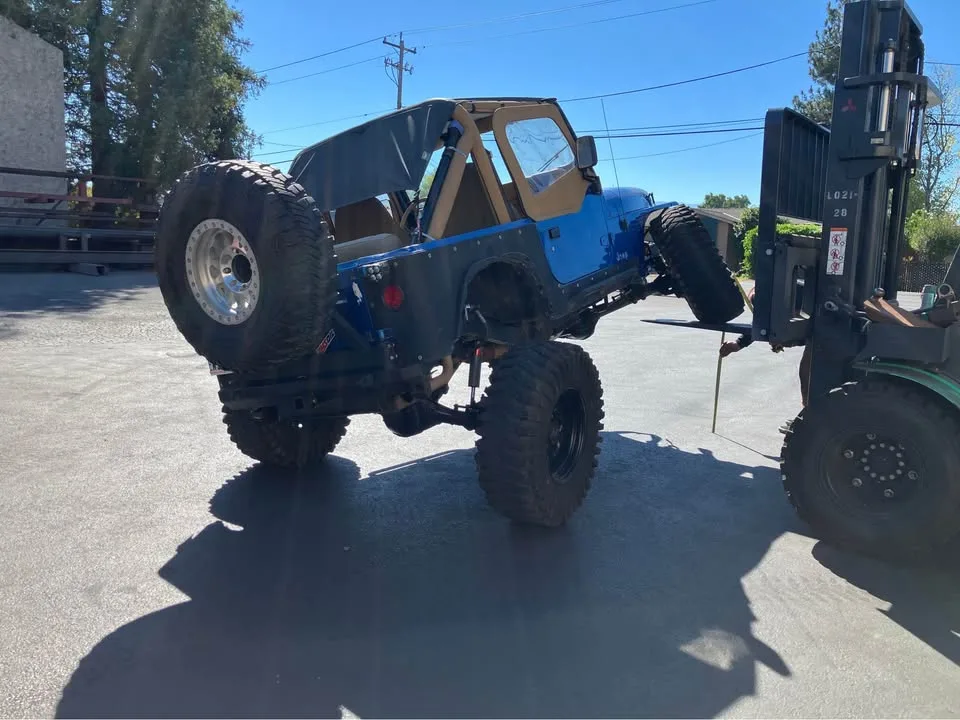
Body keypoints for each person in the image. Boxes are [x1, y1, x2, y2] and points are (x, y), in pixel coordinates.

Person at [717, 287, 812, 432]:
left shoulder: (801, 299)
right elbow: (762, 324)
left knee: (809, 372)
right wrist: (738, 344)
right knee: (808, 373)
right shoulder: (775, 301)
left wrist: (785, 339)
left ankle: (812, 421)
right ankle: (810, 417)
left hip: (829, 333)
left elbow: (804, 332)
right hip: (818, 335)